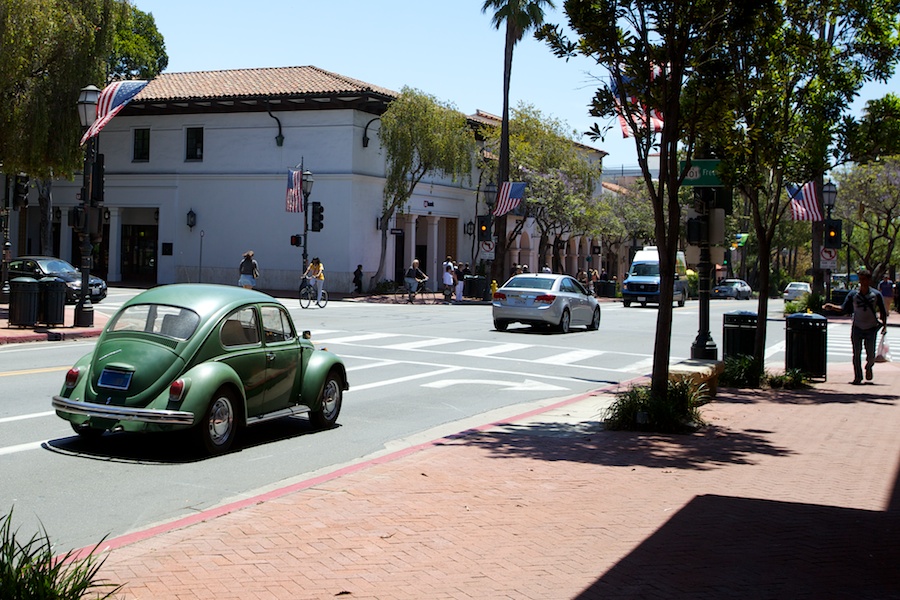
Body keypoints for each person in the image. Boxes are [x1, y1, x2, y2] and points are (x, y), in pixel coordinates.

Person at [824, 268, 888, 385]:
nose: (862, 282)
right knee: (856, 353)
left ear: (869, 280)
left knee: (871, 355)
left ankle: (869, 367)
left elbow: (883, 312)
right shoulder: (853, 294)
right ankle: (857, 377)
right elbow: (844, 309)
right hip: (857, 327)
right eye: (860, 279)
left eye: (864, 279)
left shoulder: (876, 295)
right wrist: (832, 307)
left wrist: (884, 326)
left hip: (871, 328)